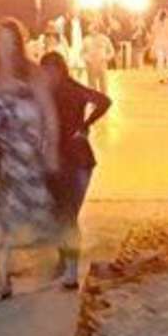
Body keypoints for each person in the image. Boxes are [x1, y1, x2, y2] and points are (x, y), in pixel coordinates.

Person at [0, 19, 59, 299]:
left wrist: (51, 150)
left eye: (10, 40)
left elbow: (48, 113)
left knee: (33, 212)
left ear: (19, 42)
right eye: (0, 39)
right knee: (1, 216)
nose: (5, 46)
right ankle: (3, 277)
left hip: (26, 154)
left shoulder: (32, 73)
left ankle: (49, 261)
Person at [39, 51, 112, 289]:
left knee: (65, 216)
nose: (46, 76)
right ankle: (66, 264)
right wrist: (85, 124)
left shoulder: (56, 92)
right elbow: (104, 101)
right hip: (73, 159)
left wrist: (85, 124)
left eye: (49, 71)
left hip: (71, 161)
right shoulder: (70, 89)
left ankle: (69, 270)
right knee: (64, 215)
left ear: (58, 70)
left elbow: (104, 100)